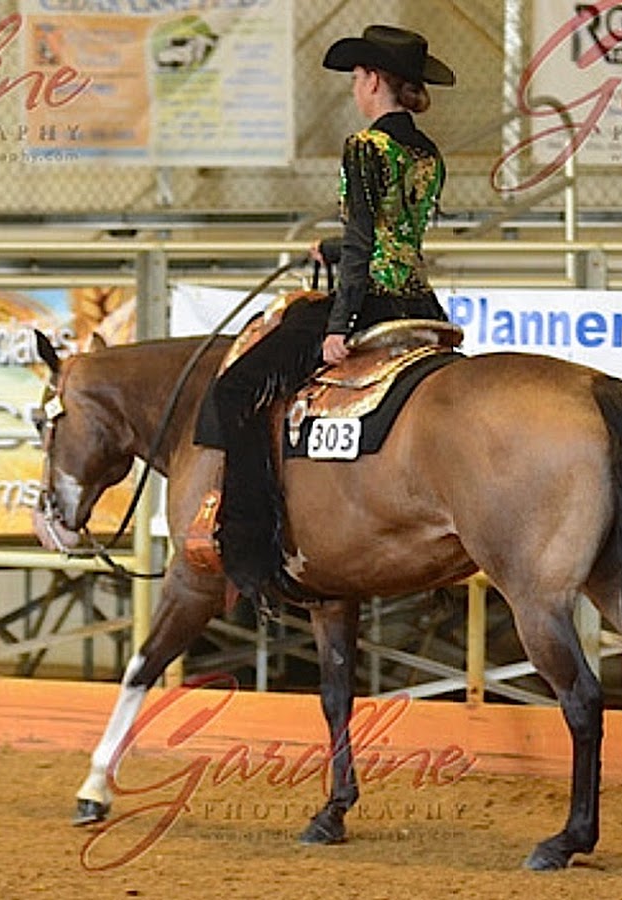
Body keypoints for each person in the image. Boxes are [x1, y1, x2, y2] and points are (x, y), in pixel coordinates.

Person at [198, 24, 455, 597]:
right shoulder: (426, 152)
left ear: (375, 81)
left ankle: (250, 543)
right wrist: (334, 248)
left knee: (235, 390)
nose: (355, 88)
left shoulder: (365, 146)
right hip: (420, 300)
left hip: (369, 301)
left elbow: (366, 242)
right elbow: (397, 235)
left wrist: (339, 326)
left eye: (358, 77)